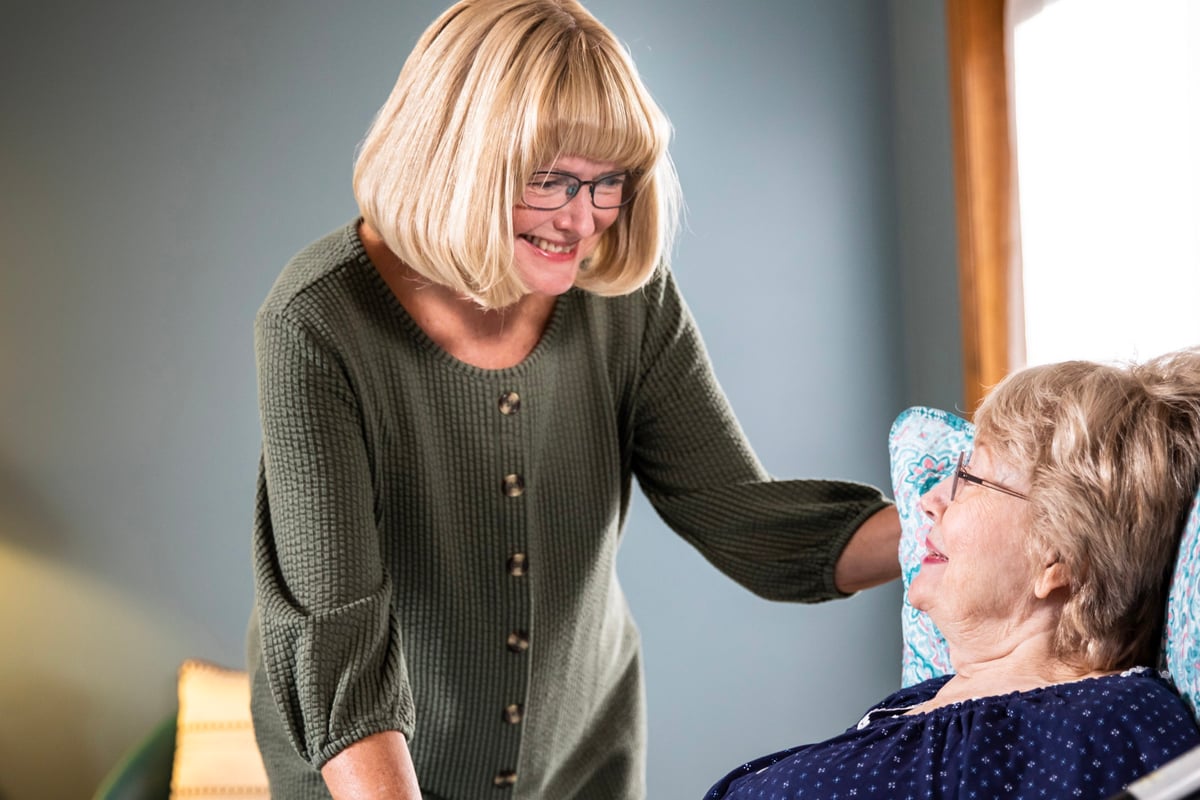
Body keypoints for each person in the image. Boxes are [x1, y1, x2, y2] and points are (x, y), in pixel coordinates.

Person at [245, 1, 901, 798]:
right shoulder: (318, 319)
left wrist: (962, 531)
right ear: (457, 159)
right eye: (550, 179)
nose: (582, 219)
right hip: (368, 773)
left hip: (580, 756)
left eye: (609, 181)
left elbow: (744, 517)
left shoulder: (622, 295)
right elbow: (336, 633)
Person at [705, 348, 1200, 799]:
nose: (929, 500)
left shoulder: (1107, 724)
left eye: (969, 477)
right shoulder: (932, 703)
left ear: (1057, 556)